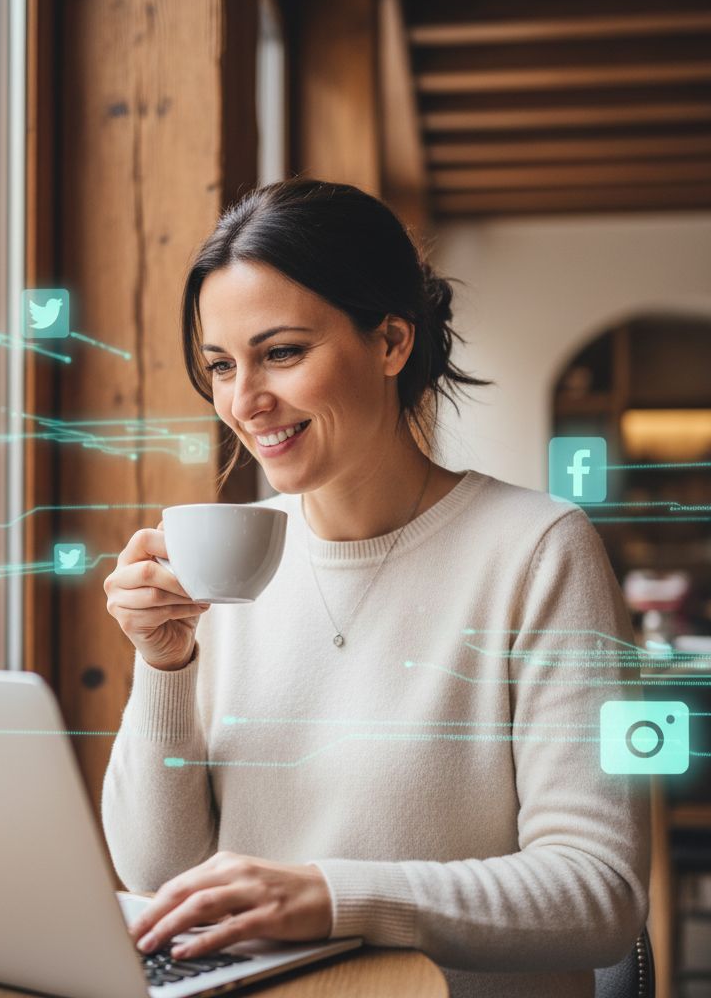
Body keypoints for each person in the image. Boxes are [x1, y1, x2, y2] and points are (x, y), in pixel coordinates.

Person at [101, 179, 649, 998]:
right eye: (221, 365)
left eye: (281, 353)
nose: (244, 403)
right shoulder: (224, 560)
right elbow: (161, 874)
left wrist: (332, 898)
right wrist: (164, 665)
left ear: (392, 342)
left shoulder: (537, 550)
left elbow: (597, 894)